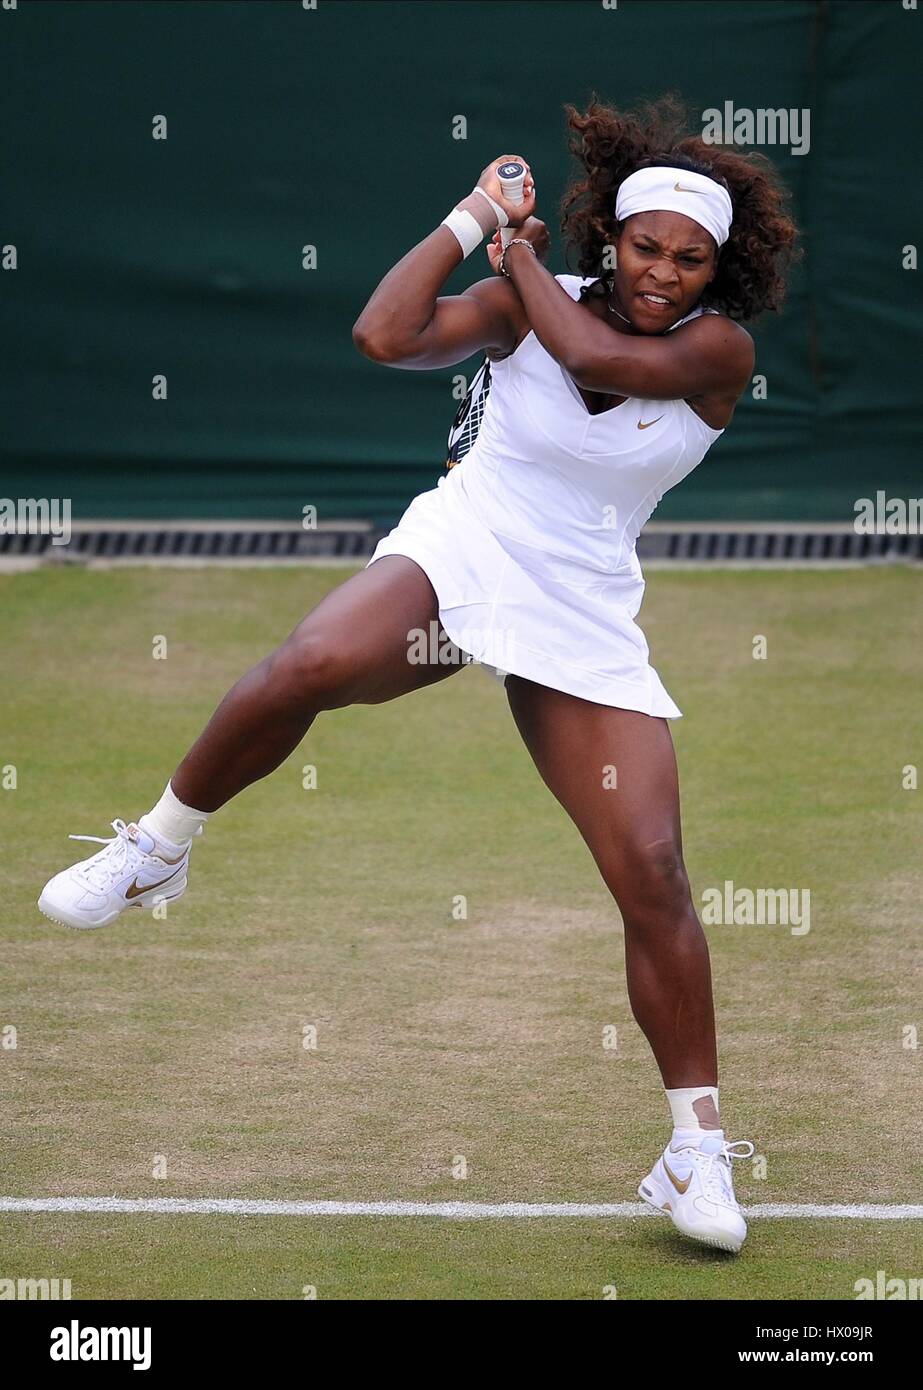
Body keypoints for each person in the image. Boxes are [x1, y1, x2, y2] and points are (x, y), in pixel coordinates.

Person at [39, 95, 798, 1254]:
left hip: (580, 607)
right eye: (645, 247)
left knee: (651, 870)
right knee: (312, 660)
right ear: (615, 237)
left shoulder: (715, 352)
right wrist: (469, 219)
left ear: (718, 268)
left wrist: (520, 253)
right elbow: (382, 337)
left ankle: (691, 1149)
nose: (662, 274)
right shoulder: (518, 297)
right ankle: (157, 847)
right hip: (464, 546)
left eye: (690, 260)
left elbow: (596, 353)